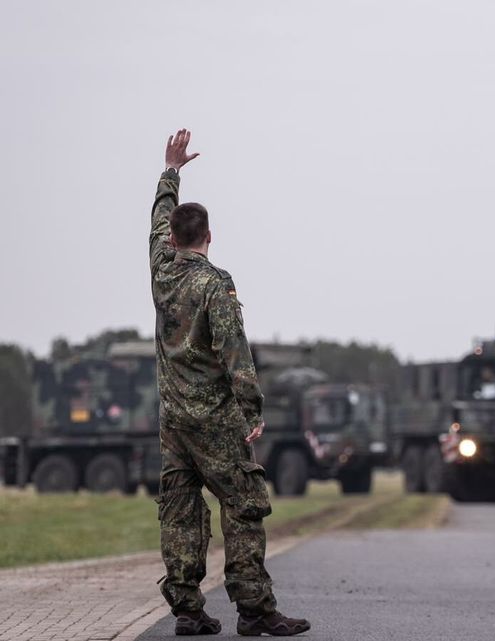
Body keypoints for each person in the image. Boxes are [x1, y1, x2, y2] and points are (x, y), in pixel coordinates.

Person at [150, 130, 309, 636]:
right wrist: (252, 411)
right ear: (209, 237)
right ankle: (255, 610)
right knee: (243, 505)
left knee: (179, 508)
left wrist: (170, 171)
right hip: (214, 421)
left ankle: (188, 611)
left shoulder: (161, 271)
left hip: (173, 420)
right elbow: (235, 354)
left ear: (174, 239)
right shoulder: (215, 284)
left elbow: (156, 222)